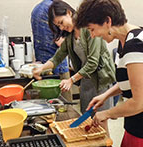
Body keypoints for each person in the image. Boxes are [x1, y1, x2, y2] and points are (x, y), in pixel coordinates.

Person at [75, 0, 143, 146]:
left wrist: (107, 113)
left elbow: (142, 101)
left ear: (107, 21)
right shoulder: (126, 39)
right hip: (137, 127)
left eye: (92, 29)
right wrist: (105, 95)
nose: (92, 35)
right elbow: (134, 81)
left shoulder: (136, 45)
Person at [33, 0, 116, 130]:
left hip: (100, 81)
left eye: (61, 23)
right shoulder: (71, 35)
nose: (61, 28)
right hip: (86, 81)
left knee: (100, 120)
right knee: (87, 120)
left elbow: (93, 62)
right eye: (58, 26)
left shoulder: (89, 28)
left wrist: (71, 80)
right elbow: (58, 57)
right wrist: (41, 68)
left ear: (69, 12)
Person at [31, 0, 72, 101]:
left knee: (47, 102)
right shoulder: (52, 10)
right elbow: (60, 43)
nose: (62, 28)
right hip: (58, 66)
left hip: (43, 61)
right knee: (65, 104)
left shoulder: (36, 9)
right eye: (59, 25)